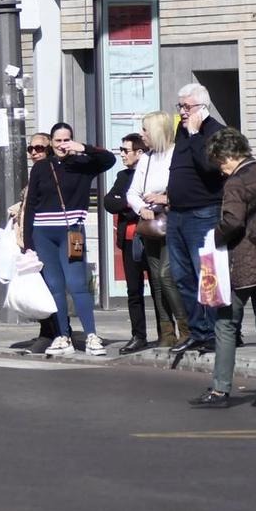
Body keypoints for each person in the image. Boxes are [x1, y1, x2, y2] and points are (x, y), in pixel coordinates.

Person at [191, 130, 256, 408]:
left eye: (220, 162)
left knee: (225, 324)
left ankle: (220, 390)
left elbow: (233, 222)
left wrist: (215, 236)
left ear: (229, 155)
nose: (221, 170)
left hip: (243, 260)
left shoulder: (236, 183)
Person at [20, 123, 116, 354]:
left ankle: (92, 335)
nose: (63, 145)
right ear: (51, 143)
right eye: (58, 141)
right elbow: (31, 203)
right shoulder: (42, 167)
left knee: (77, 284)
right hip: (42, 233)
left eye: (67, 140)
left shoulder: (83, 164)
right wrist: (27, 241)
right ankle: (63, 336)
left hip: (71, 231)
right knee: (54, 286)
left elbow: (109, 159)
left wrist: (82, 148)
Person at [159, 85, 226, 356]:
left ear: (202, 107)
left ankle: (213, 332)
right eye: (180, 107)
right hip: (177, 213)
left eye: (187, 107)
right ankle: (197, 330)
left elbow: (210, 167)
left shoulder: (214, 132)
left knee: (205, 275)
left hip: (203, 213)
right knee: (181, 275)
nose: (182, 112)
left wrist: (197, 134)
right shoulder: (182, 130)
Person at [127, 112, 186, 349]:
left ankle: (186, 327)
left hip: (172, 221)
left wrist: (164, 198)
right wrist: (142, 208)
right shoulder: (147, 159)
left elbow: (184, 188)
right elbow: (133, 192)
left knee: (166, 275)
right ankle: (166, 330)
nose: (142, 135)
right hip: (150, 224)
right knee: (156, 281)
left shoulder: (177, 155)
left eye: (145, 130)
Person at [103, 133, 161, 354]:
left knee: (159, 287)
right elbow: (110, 201)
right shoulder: (123, 175)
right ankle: (138, 335)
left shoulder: (152, 175)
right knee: (133, 291)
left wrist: (126, 201)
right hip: (129, 241)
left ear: (139, 153)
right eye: (121, 150)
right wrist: (133, 202)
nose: (122, 155)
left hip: (152, 237)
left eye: (125, 151)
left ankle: (166, 332)